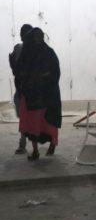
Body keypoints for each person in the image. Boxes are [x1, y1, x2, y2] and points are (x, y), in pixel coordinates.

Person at [14, 28, 61, 161]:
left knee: (49, 122)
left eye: (41, 36)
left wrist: (42, 77)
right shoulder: (27, 52)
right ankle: (35, 151)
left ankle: (52, 143)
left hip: (47, 95)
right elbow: (19, 70)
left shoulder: (49, 52)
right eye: (37, 36)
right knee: (32, 124)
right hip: (31, 95)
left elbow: (55, 72)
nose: (39, 39)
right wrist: (28, 77)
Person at [8, 23, 33, 154]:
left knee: (29, 118)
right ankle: (26, 144)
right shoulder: (20, 49)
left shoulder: (23, 49)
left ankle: (25, 144)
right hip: (25, 91)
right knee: (26, 118)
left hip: (29, 92)